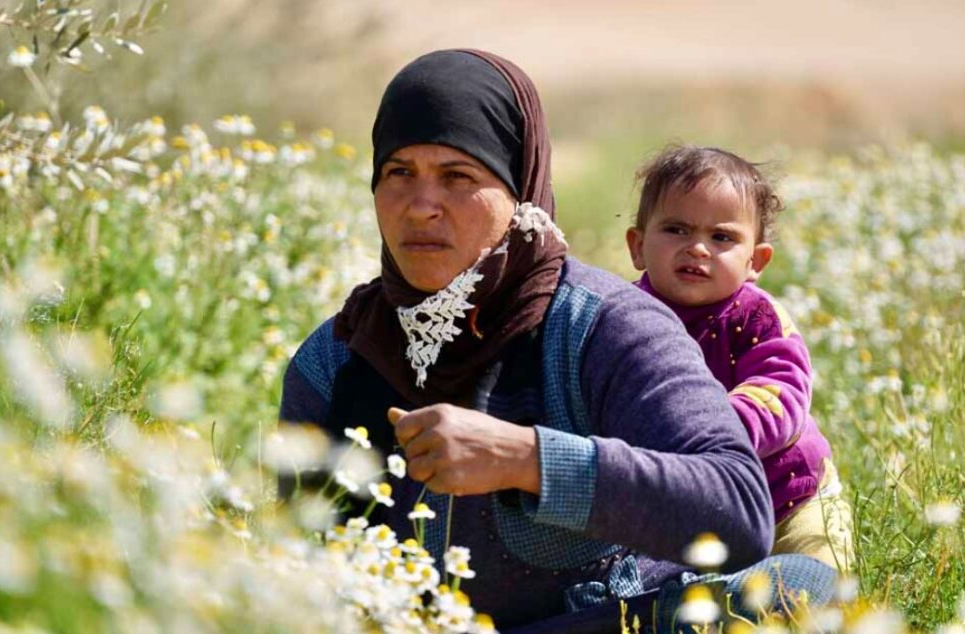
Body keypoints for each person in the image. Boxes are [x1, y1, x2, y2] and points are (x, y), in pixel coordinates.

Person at [281, 49, 835, 632]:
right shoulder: (333, 361)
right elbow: (301, 562)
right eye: (399, 173)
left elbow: (738, 510)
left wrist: (529, 460)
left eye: (458, 176)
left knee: (800, 588)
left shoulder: (606, 327)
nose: (422, 206)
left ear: (518, 187)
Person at [626, 145, 854, 571]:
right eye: (676, 230)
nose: (697, 248)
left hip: (787, 496)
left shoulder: (756, 317)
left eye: (722, 237)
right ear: (638, 246)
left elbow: (780, 390)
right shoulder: (624, 315)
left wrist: (708, 433)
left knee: (820, 579)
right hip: (694, 507)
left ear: (756, 260)